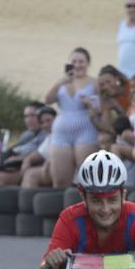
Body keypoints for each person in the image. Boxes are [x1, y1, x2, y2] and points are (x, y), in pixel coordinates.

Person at [41, 151, 135, 269]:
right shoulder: (69, 219)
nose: (105, 209)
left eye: (112, 200)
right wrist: (52, 264)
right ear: (83, 198)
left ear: (123, 196)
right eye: (96, 201)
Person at [41, 48, 101, 187]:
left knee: (88, 178)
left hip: (85, 130)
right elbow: (48, 100)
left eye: (81, 61)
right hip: (62, 133)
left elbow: (100, 107)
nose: (77, 65)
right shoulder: (63, 82)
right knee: (60, 180)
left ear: (88, 64)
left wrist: (90, 103)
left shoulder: (94, 82)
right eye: (74, 61)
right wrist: (61, 82)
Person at [0, 104, 47, 186]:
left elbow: (42, 153)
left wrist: (20, 158)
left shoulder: (46, 134)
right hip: (11, 165)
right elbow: (12, 149)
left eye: (32, 115)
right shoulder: (27, 134)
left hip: (27, 166)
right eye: (26, 116)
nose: (28, 120)